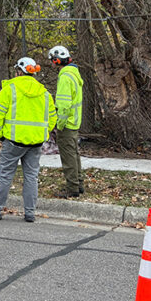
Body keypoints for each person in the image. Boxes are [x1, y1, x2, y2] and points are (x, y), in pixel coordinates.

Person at [0, 57, 57, 223]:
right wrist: (41, 134)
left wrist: (0, 134)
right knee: (31, 177)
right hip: (36, 143)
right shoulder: (44, 93)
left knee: (6, 175)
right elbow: (52, 118)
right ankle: (30, 213)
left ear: (19, 71)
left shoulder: (10, 89)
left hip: (13, 141)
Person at [49, 45, 85, 197]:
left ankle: (72, 188)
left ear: (57, 60)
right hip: (75, 122)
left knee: (68, 156)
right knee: (74, 154)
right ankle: (78, 183)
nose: (51, 64)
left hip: (67, 124)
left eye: (52, 60)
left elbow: (63, 105)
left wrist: (59, 125)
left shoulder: (65, 77)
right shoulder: (73, 74)